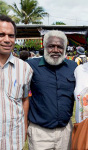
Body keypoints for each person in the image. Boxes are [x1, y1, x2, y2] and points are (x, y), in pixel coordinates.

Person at [27, 30, 77, 150]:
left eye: (60, 47)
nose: (55, 50)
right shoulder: (30, 66)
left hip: (65, 131)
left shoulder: (73, 67)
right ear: (44, 47)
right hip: (39, 133)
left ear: (65, 48)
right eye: (51, 46)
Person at [0, 15, 33, 150]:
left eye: (11, 36)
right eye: (1, 34)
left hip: (13, 138)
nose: (7, 40)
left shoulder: (25, 68)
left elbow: (25, 99)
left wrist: (25, 126)